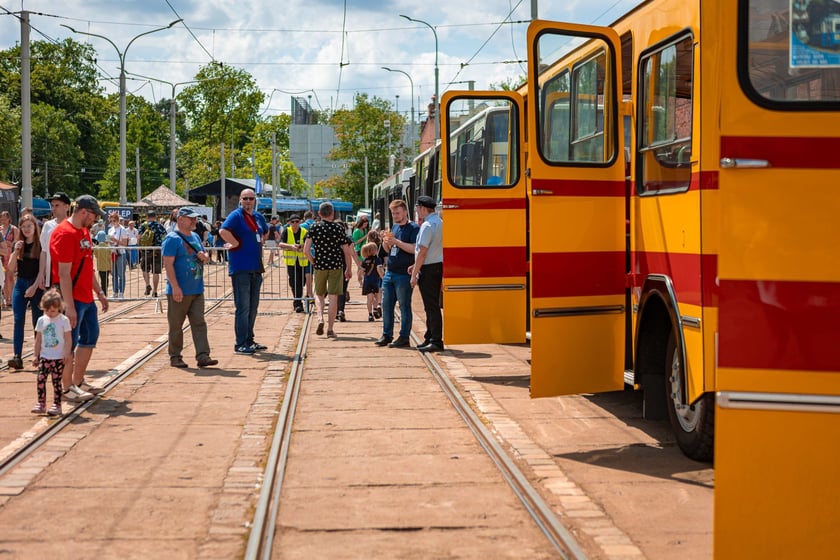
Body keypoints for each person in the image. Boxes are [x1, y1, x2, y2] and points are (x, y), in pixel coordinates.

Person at [50, 194, 109, 403]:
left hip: (86, 297)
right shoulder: (65, 234)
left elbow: (87, 266)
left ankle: (78, 381)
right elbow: (64, 274)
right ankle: (66, 388)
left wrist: (99, 292)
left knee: (90, 337)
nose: (95, 220)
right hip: (71, 299)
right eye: (94, 216)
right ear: (84, 212)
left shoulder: (83, 231)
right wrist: (70, 307)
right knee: (68, 344)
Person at [162, 208, 219, 368]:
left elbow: (205, 255)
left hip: (196, 289)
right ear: (180, 219)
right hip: (180, 290)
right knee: (176, 325)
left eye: (195, 219)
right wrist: (175, 287)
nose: (194, 221)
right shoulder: (172, 239)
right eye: (191, 219)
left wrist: (205, 257)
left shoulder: (194, 236)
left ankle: (203, 356)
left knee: (199, 323)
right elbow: (168, 264)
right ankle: (175, 356)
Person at [219, 189, 269, 354]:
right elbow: (223, 231)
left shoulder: (258, 216)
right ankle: (240, 343)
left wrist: (261, 240)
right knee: (243, 307)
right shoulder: (236, 215)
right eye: (245, 198)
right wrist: (234, 243)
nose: (248, 201)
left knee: (253, 306)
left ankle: (249, 339)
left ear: (255, 200)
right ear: (240, 200)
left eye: (251, 198)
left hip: (256, 267)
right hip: (240, 267)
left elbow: (265, 231)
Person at [302, 201, 354, 338]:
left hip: (320, 266)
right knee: (333, 297)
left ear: (319, 214)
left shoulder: (314, 228)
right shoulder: (338, 228)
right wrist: (349, 268)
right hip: (336, 266)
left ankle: (320, 318)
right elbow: (346, 251)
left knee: (319, 294)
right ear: (332, 214)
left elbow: (306, 250)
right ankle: (330, 329)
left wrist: (314, 262)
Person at [376, 199, 420, 348]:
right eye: (393, 213)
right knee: (386, 305)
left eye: (397, 213)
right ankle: (386, 334)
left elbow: (415, 249)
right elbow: (388, 250)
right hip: (391, 271)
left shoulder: (413, 228)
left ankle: (404, 336)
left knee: (404, 305)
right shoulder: (394, 227)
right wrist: (385, 242)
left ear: (405, 212)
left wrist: (396, 242)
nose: (395, 216)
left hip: (404, 273)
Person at [6, 214, 45, 369]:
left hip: (36, 284)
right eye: (24, 226)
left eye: (29, 226)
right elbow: (10, 267)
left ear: (35, 227)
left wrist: (34, 287)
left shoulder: (40, 245)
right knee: (18, 320)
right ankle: (17, 356)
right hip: (21, 284)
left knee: (38, 321)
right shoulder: (19, 244)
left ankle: (39, 355)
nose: (27, 229)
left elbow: (42, 270)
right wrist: (15, 251)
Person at [409, 195, 444, 352]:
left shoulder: (427, 225)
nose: (417, 211)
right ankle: (429, 336)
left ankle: (436, 340)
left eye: (417, 208)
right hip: (436, 265)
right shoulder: (440, 222)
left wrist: (414, 273)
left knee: (431, 307)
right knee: (432, 305)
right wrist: (415, 265)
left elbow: (422, 251)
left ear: (422, 208)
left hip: (428, 268)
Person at [30, 289, 72, 417]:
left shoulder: (63, 320)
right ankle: (41, 403)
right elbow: (38, 340)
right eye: (47, 310)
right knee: (41, 379)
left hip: (58, 357)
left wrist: (67, 353)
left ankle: (57, 404)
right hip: (45, 356)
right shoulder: (42, 320)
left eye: (53, 311)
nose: (50, 313)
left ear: (59, 308)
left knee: (56, 381)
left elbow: (68, 339)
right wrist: (35, 355)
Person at [40, 192, 72, 291]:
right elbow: (44, 251)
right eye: (52, 205)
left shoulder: (73, 225)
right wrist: (41, 273)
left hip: (69, 274)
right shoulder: (48, 225)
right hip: (51, 274)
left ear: (66, 207)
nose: (53, 208)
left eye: (57, 205)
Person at [277, 214, 308, 313]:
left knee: (301, 282)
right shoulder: (287, 231)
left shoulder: (304, 231)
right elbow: (281, 243)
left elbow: (310, 243)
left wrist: (302, 246)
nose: (295, 224)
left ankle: (298, 301)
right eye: (292, 222)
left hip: (302, 262)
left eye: (297, 221)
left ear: (300, 222)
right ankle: (298, 303)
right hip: (291, 262)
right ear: (289, 222)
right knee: (295, 283)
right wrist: (291, 246)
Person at [138, 210, 167, 297]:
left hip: (146, 249)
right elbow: (165, 236)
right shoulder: (159, 225)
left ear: (147, 217)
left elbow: (139, 237)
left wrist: (140, 247)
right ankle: (155, 290)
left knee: (145, 269)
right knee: (156, 271)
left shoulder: (143, 225)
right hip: (157, 249)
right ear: (155, 217)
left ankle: (147, 284)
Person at [359, 242, 384, 322]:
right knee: (377, 296)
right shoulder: (378, 260)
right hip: (376, 280)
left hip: (367, 281)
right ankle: (375, 309)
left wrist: (360, 279)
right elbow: (379, 269)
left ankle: (370, 314)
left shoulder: (365, 260)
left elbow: (361, 271)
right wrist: (383, 277)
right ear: (374, 251)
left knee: (369, 298)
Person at [0, 210, 21, 306]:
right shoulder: (0, 229)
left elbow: (16, 241)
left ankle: (12, 298)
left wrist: (9, 244)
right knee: (3, 278)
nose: (3, 221)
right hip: (2, 256)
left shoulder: (14, 229)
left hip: (10, 255)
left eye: (5, 219)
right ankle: (6, 298)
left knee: (10, 277)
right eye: (1, 219)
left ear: (9, 219)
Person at [107, 211, 128, 298]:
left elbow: (125, 243)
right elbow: (109, 241)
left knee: (121, 274)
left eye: (114, 220)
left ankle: (121, 293)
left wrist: (116, 241)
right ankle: (115, 292)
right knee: (114, 274)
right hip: (113, 252)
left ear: (118, 220)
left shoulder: (122, 229)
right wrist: (109, 242)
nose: (112, 222)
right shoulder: (110, 230)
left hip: (120, 253)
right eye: (111, 221)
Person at [94, 229, 112, 297]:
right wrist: (111, 267)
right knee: (106, 280)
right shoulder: (108, 247)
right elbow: (110, 258)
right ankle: (105, 291)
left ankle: (103, 292)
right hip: (107, 266)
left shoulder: (96, 247)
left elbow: (95, 255)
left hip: (100, 266)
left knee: (102, 280)